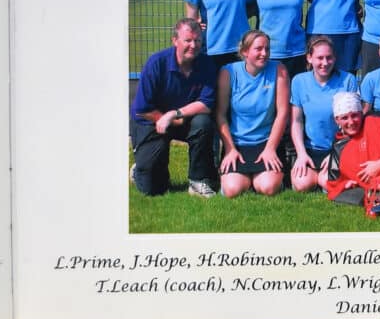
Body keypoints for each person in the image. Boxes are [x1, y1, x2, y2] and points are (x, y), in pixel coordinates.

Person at [129, 18, 218, 197]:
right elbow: (142, 109)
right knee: (153, 189)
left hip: (180, 119)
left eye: (198, 40)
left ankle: (197, 181)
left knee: (203, 122)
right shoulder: (156, 63)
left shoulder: (207, 64)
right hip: (151, 122)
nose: (193, 45)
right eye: (188, 40)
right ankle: (141, 169)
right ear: (174, 40)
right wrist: (165, 119)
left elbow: (207, 104)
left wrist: (174, 115)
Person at [214, 30, 290, 197]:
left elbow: (283, 113)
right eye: (259, 49)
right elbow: (220, 114)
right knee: (232, 190)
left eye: (267, 49)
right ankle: (243, 178)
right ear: (245, 52)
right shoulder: (228, 72)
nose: (264, 54)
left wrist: (271, 149)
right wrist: (229, 149)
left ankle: (262, 177)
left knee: (268, 187)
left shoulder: (279, 70)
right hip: (237, 144)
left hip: (266, 142)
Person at [289, 36, 359, 192]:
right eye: (320, 58)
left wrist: (336, 153)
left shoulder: (348, 80)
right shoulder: (299, 81)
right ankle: (314, 174)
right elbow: (297, 121)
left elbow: (353, 124)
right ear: (309, 58)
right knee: (302, 185)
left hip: (339, 148)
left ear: (335, 58)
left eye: (329, 57)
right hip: (311, 149)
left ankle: (326, 176)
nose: (325, 63)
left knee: (326, 183)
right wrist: (301, 154)